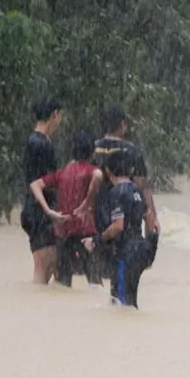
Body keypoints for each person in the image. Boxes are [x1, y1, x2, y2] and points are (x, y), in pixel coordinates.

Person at [29, 130, 103, 288]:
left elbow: (35, 185)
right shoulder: (89, 169)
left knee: (63, 283)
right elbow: (98, 176)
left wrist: (49, 211)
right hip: (85, 234)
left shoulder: (63, 173)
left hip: (64, 234)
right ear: (91, 151)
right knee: (95, 283)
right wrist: (86, 203)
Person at [88, 150, 159, 308]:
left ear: (108, 171)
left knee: (120, 302)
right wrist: (148, 248)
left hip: (125, 254)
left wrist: (97, 240)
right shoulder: (137, 191)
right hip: (141, 250)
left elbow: (118, 226)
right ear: (132, 171)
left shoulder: (116, 193)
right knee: (130, 300)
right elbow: (150, 220)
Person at [22, 99, 63, 285]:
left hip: (34, 209)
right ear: (54, 115)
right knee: (45, 264)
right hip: (40, 210)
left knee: (50, 263)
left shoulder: (35, 141)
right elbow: (42, 182)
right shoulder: (42, 144)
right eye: (59, 116)